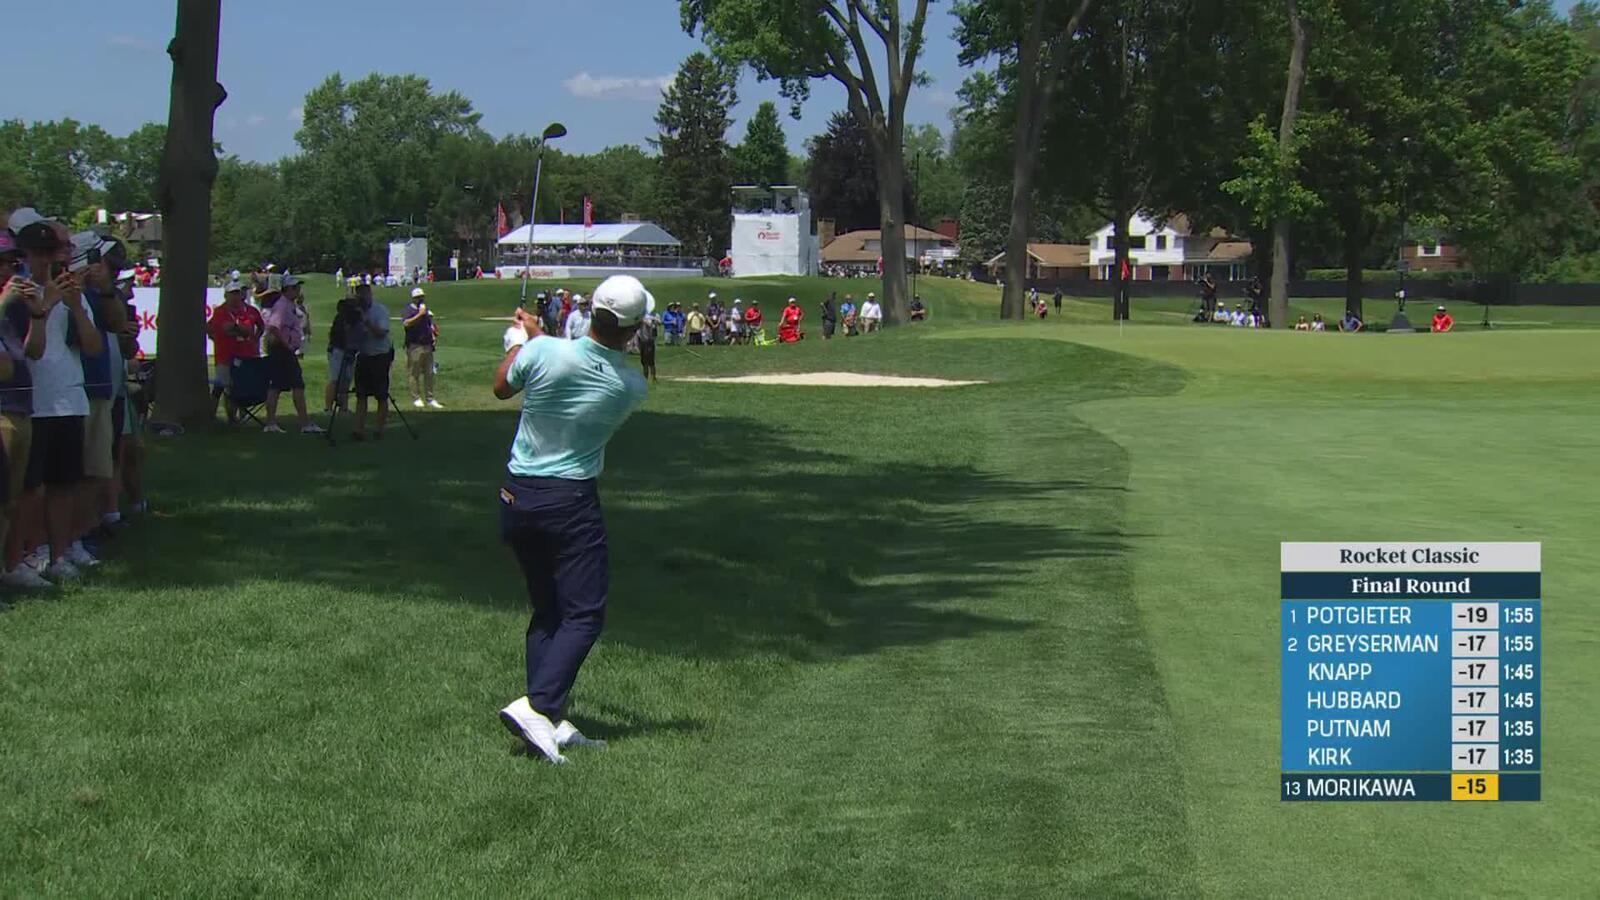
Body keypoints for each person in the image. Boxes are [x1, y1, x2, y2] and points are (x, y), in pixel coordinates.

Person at [492, 274, 652, 763]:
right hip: (570, 500)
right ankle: (538, 707)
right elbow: (581, 366)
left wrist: (520, 345)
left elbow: (502, 386)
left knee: (549, 610)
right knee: (584, 612)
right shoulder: (630, 386)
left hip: (516, 494)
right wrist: (534, 341)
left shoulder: (543, 353)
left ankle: (550, 720)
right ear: (631, 329)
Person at [11, 209, 104, 581]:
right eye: (41, 254)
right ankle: (29, 554)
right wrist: (48, 299)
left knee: (66, 484)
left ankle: (60, 553)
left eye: (55, 253)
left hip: (68, 397)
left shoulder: (70, 293)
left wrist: (77, 307)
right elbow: (27, 348)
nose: (49, 261)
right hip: (32, 399)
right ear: (27, 255)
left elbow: (94, 347)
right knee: (32, 488)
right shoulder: (16, 291)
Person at [0, 228, 46, 589]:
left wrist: (38, 315)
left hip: (20, 406)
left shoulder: (14, 309)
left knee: (10, 500)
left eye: (12, 262)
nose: (9, 270)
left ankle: (8, 567)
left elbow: (32, 353)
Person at [261, 275, 323, 434]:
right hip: (282, 350)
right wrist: (286, 344)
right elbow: (274, 327)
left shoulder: (289, 305)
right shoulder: (282, 305)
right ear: (286, 289)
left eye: (298, 287)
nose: (298, 290)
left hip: (284, 350)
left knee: (278, 385)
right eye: (294, 288)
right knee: (295, 384)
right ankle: (303, 423)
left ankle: (272, 422)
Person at [207, 279, 263, 424]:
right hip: (225, 356)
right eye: (232, 293)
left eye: (238, 293)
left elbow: (249, 330)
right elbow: (219, 328)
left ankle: (238, 417)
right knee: (221, 387)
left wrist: (242, 331)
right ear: (226, 295)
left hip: (245, 354)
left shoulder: (248, 311)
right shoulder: (220, 311)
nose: (236, 296)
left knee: (240, 387)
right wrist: (222, 335)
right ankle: (214, 417)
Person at [351, 283, 392, 441]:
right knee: (361, 395)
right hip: (364, 355)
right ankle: (358, 429)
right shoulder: (356, 312)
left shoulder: (380, 310)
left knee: (381, 395)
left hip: (380, 355)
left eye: (365, 297)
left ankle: (379, 429)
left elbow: (381, 333)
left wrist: (365, 320)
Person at [402, 287, 441, 409]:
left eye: (422, 297)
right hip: (415, 345)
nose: (421, 299)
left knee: (429, 373)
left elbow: (429, 325)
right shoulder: (408, 310)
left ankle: (430, 398)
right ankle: (416, 398)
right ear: (414, 298)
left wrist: (433, 336)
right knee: (414, 372)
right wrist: (420, 314)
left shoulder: (425, 310)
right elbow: (406, 323)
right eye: (419, 297)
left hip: (427, 344)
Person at [325, 290, 362, 414]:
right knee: (335, 379)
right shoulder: (343, 316)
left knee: (346, 380)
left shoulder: (353, 315)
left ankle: (344, 407)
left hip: (350, 351)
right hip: (338, 350)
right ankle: (328, 407)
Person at [635, 307, 658, 382]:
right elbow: (637, 332)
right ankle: (645, 377)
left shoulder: (649, 318)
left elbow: (651, 324)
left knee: (651, 361)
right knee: (644, 361)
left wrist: (646, 320)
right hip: (642, 342)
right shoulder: (639, 319)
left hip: (649, 341)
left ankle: (653, 377)